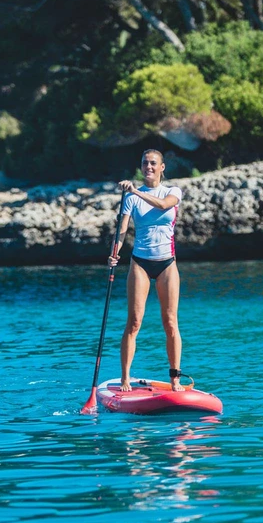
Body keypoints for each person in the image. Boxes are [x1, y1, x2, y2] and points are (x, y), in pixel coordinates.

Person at [108, 149, 185, 392]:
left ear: (162, 167)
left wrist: (134, 191)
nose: (148, 167)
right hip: (140, 263)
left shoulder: (172, 192)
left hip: (167, 264)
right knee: (134, 322)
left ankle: (175, 379)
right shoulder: (130, 198)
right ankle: (124, 379)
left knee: (170, 322)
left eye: (153, 163)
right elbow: (121, 230)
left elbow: (163, 205)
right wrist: (115, 253)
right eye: (145, 163)